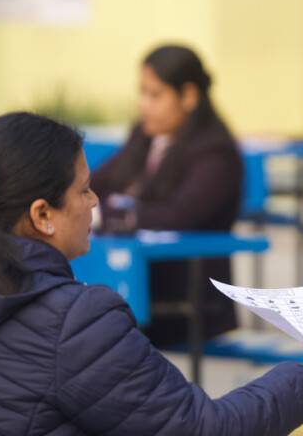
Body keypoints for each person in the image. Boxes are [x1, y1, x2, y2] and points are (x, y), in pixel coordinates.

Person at [0, 112, 303, 435]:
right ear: (43, 214)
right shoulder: (77, 322)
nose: (95, 204)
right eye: (85, 190)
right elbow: (201, 430)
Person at [92, 44, 241, 346]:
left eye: (155, 95)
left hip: (187, 302)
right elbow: (97, 182)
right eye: (142, 93)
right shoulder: (145, 136)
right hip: (142, 290)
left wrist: (103, 214)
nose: (143, 104)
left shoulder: (215, 152)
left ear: (188, 95)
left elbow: (179, 214)